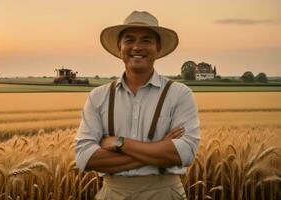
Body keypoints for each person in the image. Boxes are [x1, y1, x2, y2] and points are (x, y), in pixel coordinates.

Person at [75, 11, 200, 200]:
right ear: (120, 47)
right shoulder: (97, 97)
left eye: (146, 40)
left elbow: (185, 153)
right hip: (112, 193)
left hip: (165, 193)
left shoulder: (180, 94)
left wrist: (118, 143)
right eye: (129, 40)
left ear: (158, 47)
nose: (137, 47)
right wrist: (160, 150)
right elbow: (85, 157)